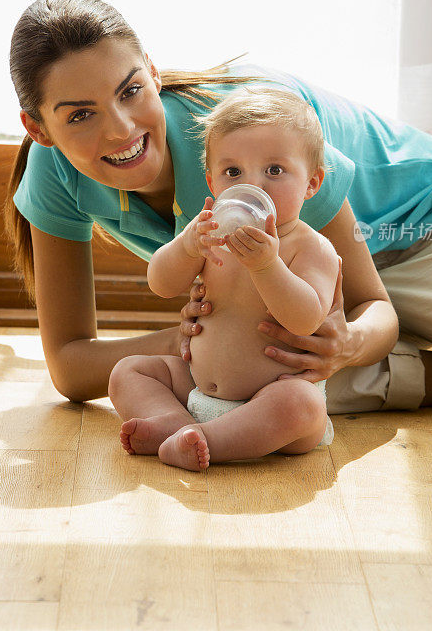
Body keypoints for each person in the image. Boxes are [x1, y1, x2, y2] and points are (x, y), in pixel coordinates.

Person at [5, 0, 432, 427]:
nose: (119, 129)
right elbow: (71, 368)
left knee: (260, 373)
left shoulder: (246, 127)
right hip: (300, 290)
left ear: (153, 74)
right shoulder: (55, 173)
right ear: (39, 128)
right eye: (81, 115)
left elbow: (368, 302)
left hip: (428, 228)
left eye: (130, 90)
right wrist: (196, 339)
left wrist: (350, 342)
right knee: (243, 384)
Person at [108, 87, 340, 470]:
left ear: (312, 183)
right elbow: (161, 284)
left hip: (270, 403)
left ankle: (206, 441)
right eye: (233, 172)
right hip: (197, 390)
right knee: (128, 371)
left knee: (303, 404)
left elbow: (306, 319)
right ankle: (176, 423)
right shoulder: (211, 235)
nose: (254, 186)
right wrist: (186, 248)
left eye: (275, 170)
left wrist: (268, 267)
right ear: (213, 184)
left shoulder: (311, 248)